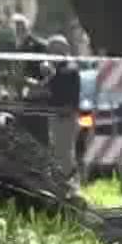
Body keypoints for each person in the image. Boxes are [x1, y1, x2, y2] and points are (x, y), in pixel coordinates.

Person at [40, 35, 83, 181]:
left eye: (51, 51)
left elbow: (55, 90)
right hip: (60, 114)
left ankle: (70, 182)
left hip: (66, 116)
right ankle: (66, 181)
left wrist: (47, 76)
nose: (48, 54)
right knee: (60, 151)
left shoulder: (68, 67)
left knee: (64, 152)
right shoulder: (60, 68)